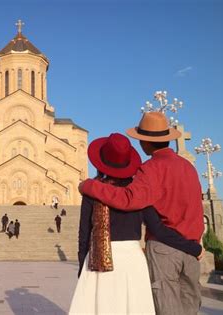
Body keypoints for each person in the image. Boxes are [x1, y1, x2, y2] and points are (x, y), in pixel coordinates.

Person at [78, 113, 205, 314]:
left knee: (167, 308)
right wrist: (194, 246)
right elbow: (198, 207)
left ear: (146, 142)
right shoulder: (188, 167)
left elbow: (129, 198)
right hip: (192, 251)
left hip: (165, 250)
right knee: (189, 309)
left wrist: (90, 186)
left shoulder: (151, 169)